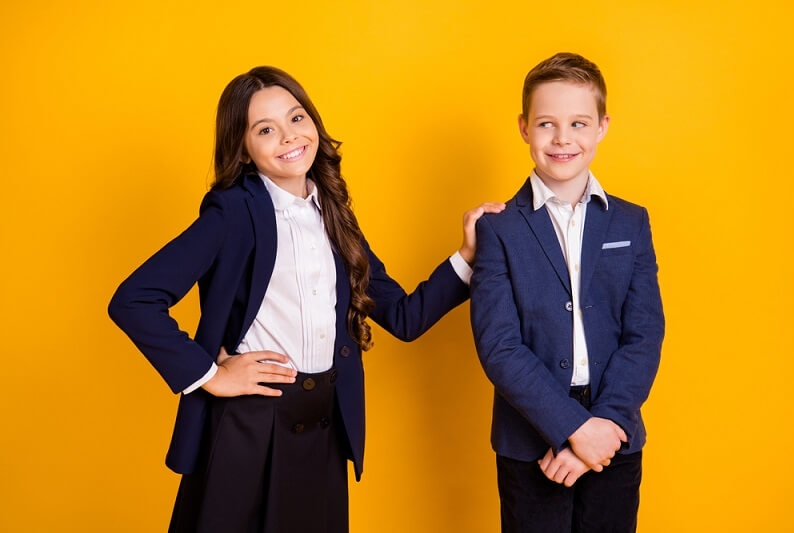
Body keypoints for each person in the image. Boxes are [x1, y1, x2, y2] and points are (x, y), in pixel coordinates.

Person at [108, 66, 503, 533]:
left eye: (296, 119)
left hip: (324, 427)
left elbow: (402, 315)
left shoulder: (335, 213)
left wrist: (467, 256)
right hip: (250, 425)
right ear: (244, 149)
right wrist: (209, 375)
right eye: (265, 129)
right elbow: (134, 299)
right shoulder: (233, 211)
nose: (288, 137)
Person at [469, 52, 665, 532]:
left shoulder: (630, 221)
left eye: (578, 123)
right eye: (546, 124)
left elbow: (644, 334)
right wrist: (573, 429)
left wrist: (602, 430)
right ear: (523, 127)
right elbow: (499, 346)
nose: (562, 139)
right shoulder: (498, 229)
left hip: (614, 436)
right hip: (530, 440)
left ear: (601, 126)